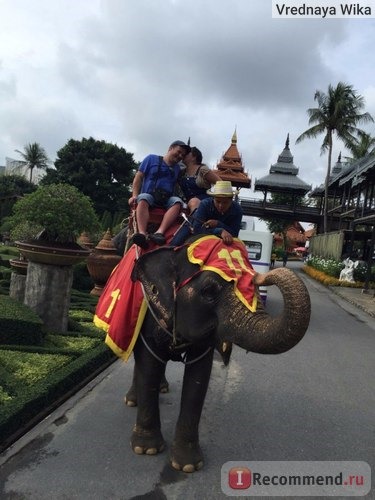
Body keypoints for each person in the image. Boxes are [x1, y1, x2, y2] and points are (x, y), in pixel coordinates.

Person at [129, 140, 190, 250]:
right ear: (170, 148)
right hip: (150, 196)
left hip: (166, 199)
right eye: (179, 152)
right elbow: (138, 177)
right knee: (143, 198)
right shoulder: (151, 159)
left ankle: (159, 232)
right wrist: (134, 195)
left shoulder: (177, 169)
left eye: (182, 155)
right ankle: (142, 233)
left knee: (177, 202)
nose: (180, 156)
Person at [192, 180, 243, 245]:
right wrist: (220, 231)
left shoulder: (237, 210)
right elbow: (197, 229)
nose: (221, 206)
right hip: (203, 240)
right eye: (218, 201)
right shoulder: (204, 204)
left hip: (226, 243)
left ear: (231, 200)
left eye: (225, 202)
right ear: (213, 198)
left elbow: (235, 234)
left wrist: (218, 224)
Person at [178, 146, 221, 213]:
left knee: (194, 202)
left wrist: (219, 201)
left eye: (187, 153)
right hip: (187, 202)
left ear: (194, 157)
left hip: (205, 202)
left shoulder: (202, 169)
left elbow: (221, 183)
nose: (184, 154)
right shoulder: (182, 172)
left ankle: (196, 222)